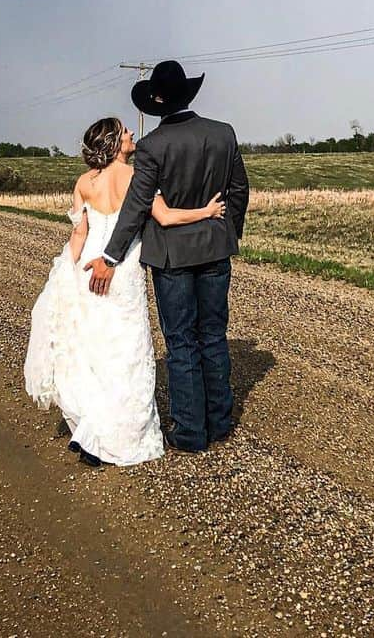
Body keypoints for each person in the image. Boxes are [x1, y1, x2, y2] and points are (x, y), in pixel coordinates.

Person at [24, 117, 226, 467]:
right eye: (126, 131)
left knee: (95, 348)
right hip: (123, 267)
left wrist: (65, 273)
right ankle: (119, 435)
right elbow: (165, 218)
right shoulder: (136, 177)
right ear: (117, 143)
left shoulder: (84, 182)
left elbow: (78, 235)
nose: (133, 133)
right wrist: (206, 212)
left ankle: (91, 429)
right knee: (127, 349)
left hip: (89, 266)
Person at [86, 61, 250, 454]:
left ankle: (191, 431)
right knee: (212, 335)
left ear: (157, 102)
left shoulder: (154, 147)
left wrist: (110, 256)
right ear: (188, 95)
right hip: (215, 250)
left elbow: (137, 206)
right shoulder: (223, 133)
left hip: (172, 259)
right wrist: (227, 233)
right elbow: (240, 190)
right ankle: (220, 422)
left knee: (181, 342)